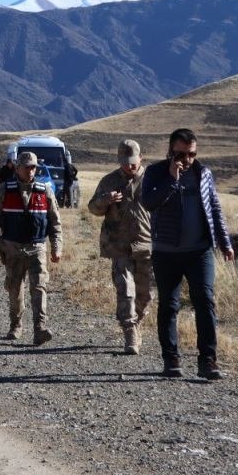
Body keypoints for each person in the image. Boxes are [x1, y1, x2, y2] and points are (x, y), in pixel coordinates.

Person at [141, 128, 234, 380]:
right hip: (166, 251)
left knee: (205, 301)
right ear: (170, 150)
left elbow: (214, 207)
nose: (187, 159)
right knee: (169, 306)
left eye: (191, 153)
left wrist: (225, 242)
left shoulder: (203, 174)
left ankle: (208, 360)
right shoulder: (155, 172)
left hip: (199, 251)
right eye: (181, 153)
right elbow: (148, 203)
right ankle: (170, 358)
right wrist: (171, 179)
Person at [0, 151, 62, 345]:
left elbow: (55, 222)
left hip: (37, 247)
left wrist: (57, 247)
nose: (30, 170)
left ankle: (40, 328)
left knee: (39, 287)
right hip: (12, 248)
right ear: (17, 167)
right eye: (26, 167)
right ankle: (16, 325)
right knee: (15, 288)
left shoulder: (44, 190)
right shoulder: (4, 189)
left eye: (33, 167)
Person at [87, 140, 153, 354]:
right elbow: (93, 209)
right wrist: (105, 201)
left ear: (141, 158)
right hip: (119, 245)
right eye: (125, 163)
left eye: (133, 162)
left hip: (146, 245)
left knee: (146, 295)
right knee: (125, 290)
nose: (130, 167)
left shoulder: (151, 180)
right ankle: (130, 330)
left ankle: (137, 321)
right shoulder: (109, 181)